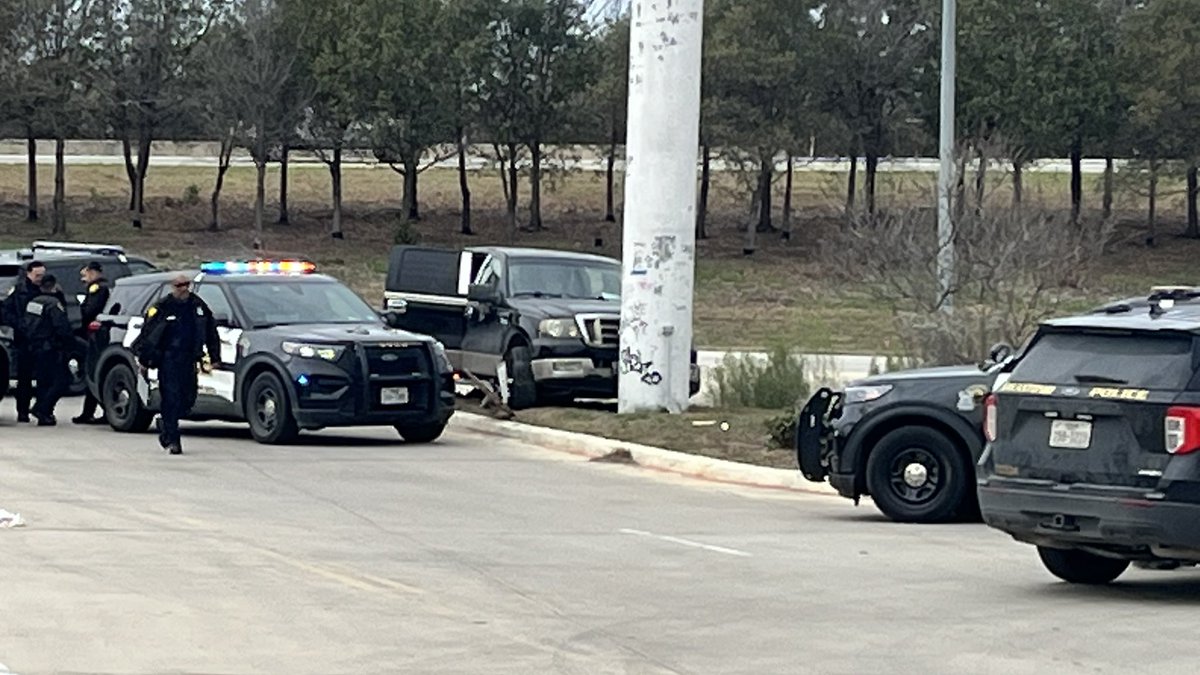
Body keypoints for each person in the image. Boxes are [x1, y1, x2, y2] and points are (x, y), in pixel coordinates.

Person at [131, 274, 220, 454]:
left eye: (186, 285)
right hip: (168, 360)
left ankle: (165, 423)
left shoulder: (198, 306)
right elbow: (148, 335)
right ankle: (173, 440)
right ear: (173, 287)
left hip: (188, 359)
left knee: (188, 399)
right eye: (179, 285)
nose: (183, 289)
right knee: (171, 399)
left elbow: (211, 332)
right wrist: (144, 360)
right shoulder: (162, 307)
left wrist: (215, 357)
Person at [22, 274, 73, 426]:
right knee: (63, 381)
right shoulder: (53, 303)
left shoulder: (33, 302)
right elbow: (62, 327)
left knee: (43, 382)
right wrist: (69, 345)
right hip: (51, 347)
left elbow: (27, 324)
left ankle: (44, 414)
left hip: (34, 347)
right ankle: (42, 409)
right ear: (54, 286)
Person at [2, 261, 46, 423]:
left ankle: (43, 410)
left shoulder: (47, 289)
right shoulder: (20, 292)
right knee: (24, 379)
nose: (40, 278)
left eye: (42, 275)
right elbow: (6, 312)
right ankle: (23, 411)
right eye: (37, 275)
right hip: (24, 341)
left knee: (44, 378)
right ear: (28, 274)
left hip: (44, 340)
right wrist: (20, 325)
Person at [73, 261, 111, 425]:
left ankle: (98, 411)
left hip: (96, 337)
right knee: (92, 374)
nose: (84, 279)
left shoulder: (98, 289)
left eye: (85, 275)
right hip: (95, 336)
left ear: (93, 272)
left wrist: (78, 319)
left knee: (93, 373)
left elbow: (90, 311)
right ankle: (90, 412)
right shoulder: (98, 288)